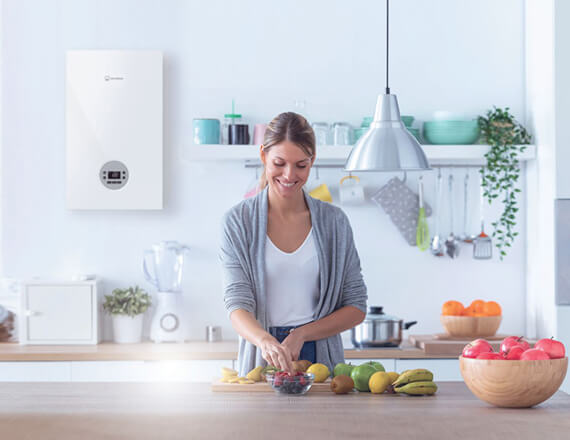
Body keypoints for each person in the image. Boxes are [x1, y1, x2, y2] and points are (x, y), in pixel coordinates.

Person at [220, 112, 367, 376]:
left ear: (312, 162)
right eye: (279, 163)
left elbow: (356, 306)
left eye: (301, 165)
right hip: (262, 352)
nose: (289, 175)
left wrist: (302, 334)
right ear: (263, 156)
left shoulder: (335, 222)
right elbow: (236, 303)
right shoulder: (237, 222)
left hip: (320, 357)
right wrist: (264, 340)